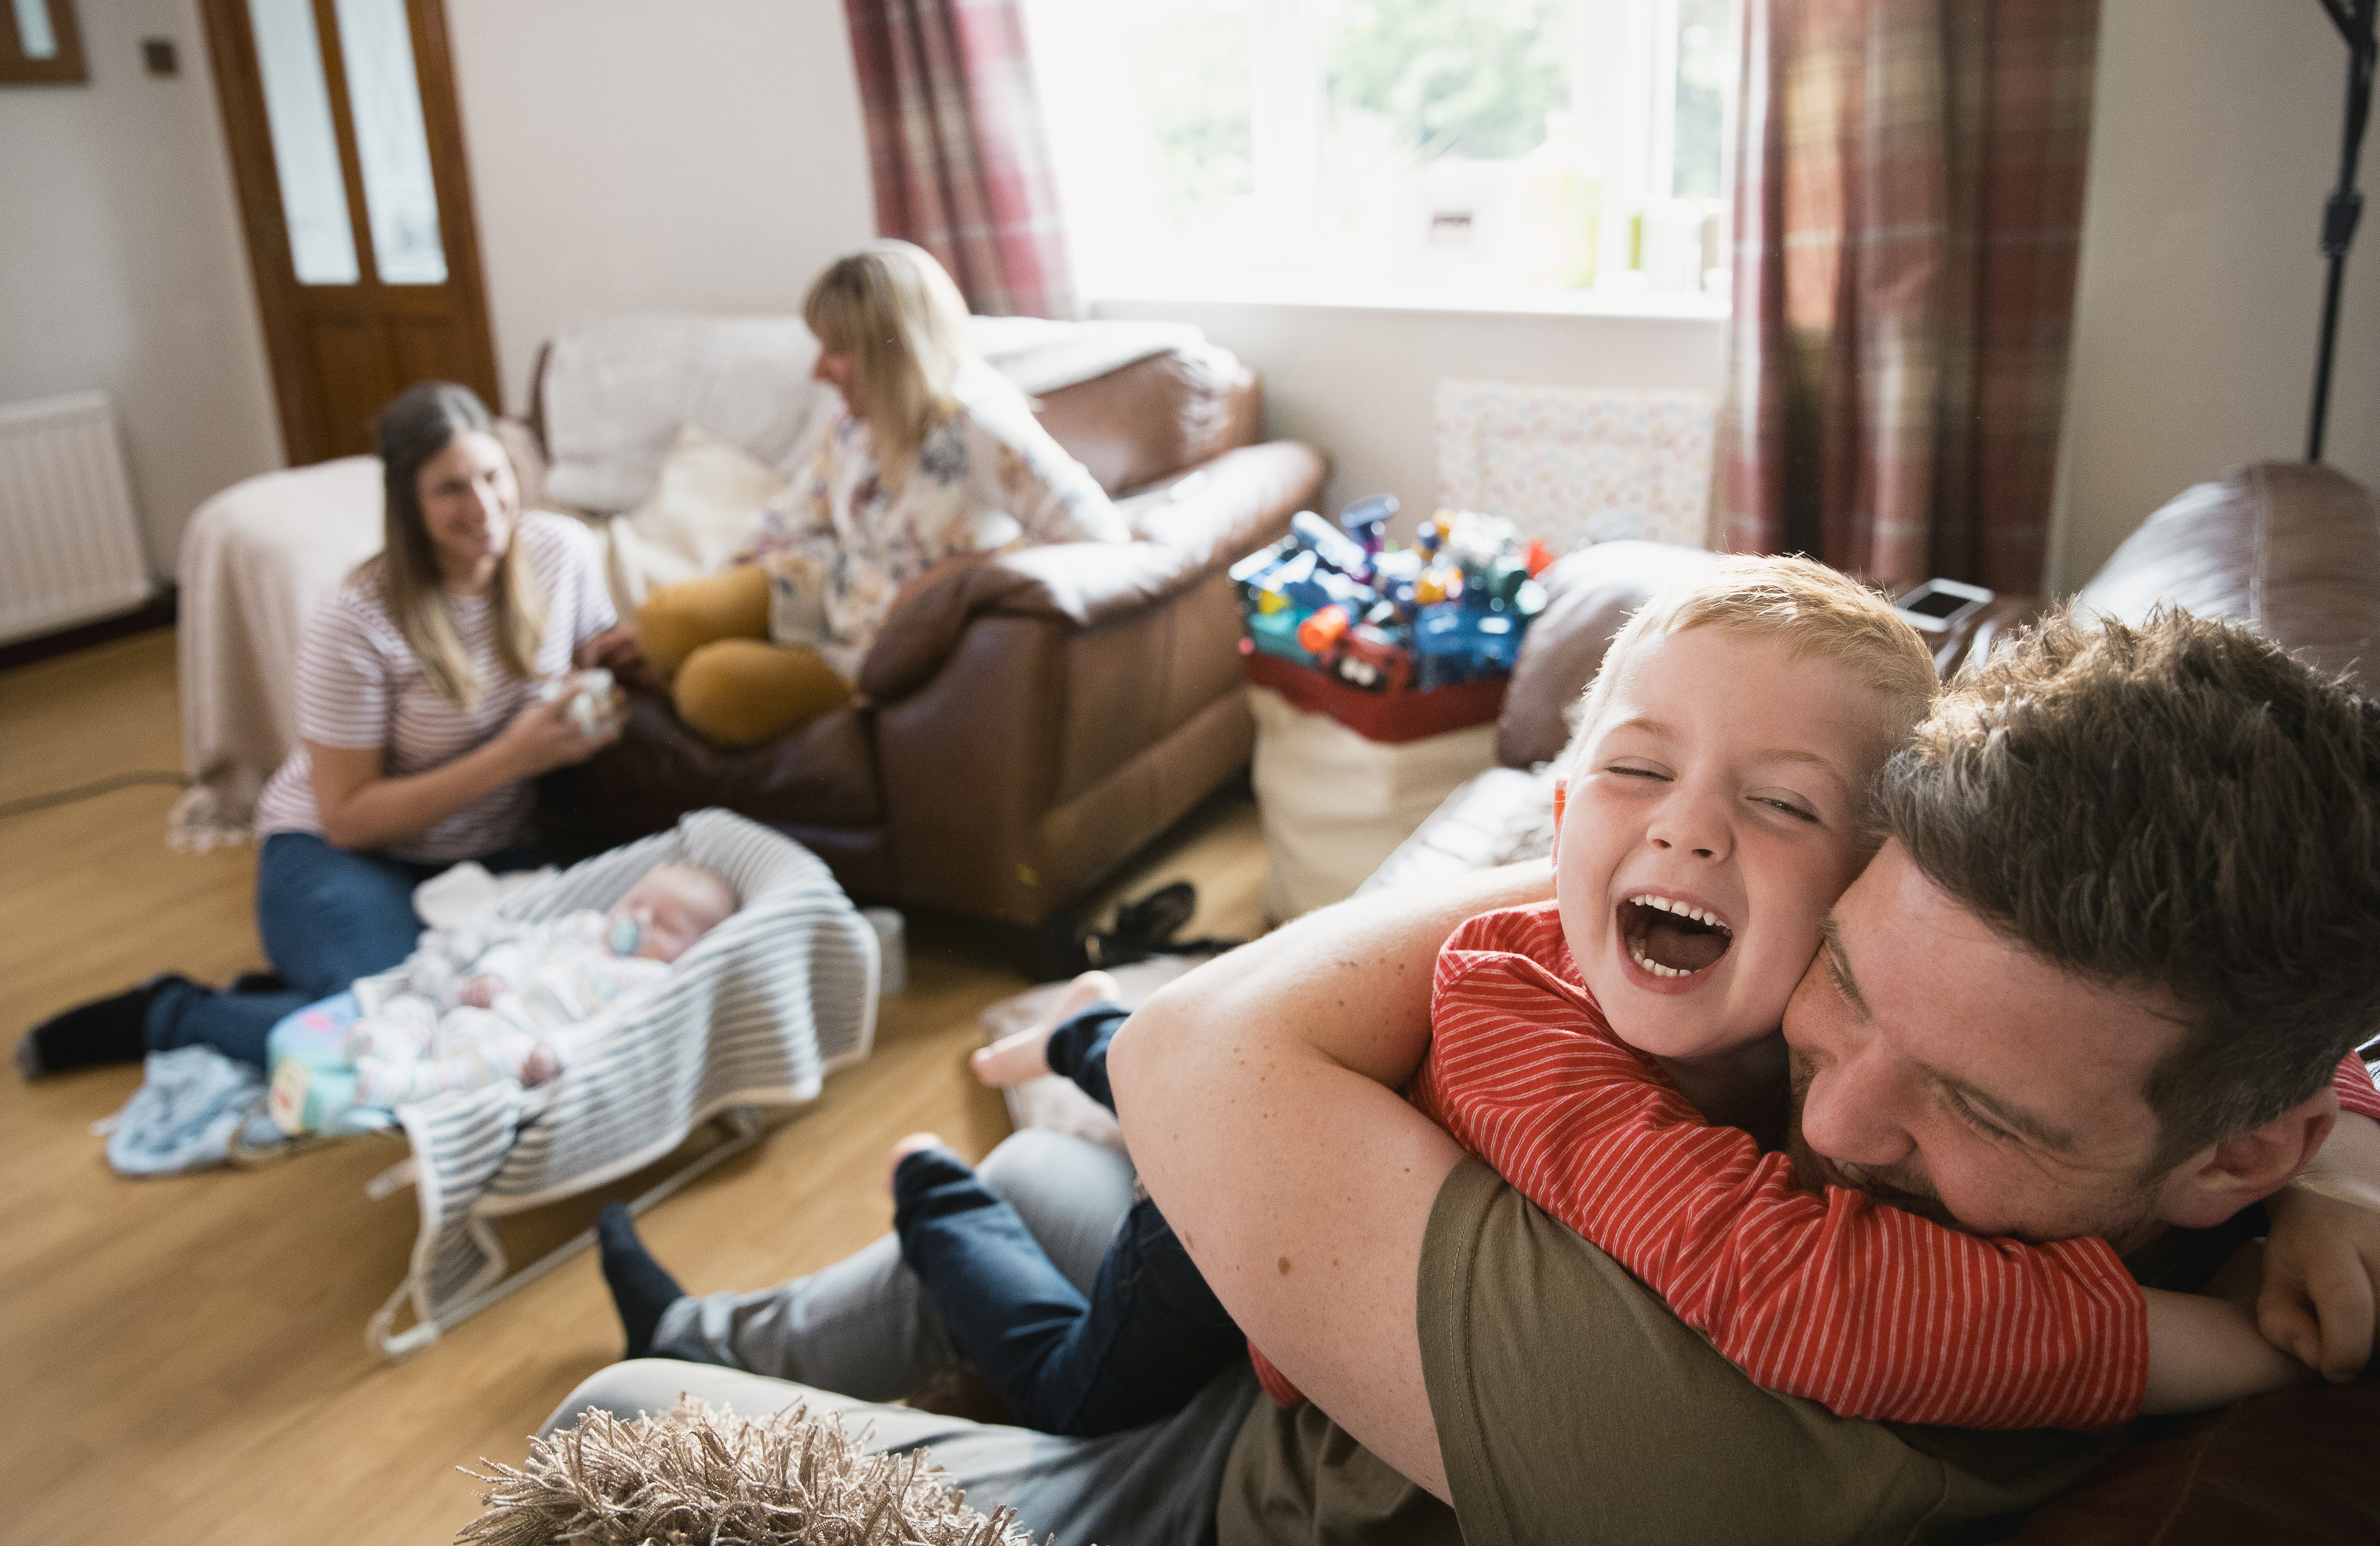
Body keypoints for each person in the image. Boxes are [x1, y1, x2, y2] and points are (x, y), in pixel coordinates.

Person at [542, 607, 2380, 1545]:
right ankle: (747, 1323)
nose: (1831, 1118)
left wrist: (1638, 823)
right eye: (1847, 978)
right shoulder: (2213, 1110)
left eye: (1977, 1108)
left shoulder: (1813, 1414)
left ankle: (714, 1348)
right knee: (1045, 1183)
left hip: (1242, 1484)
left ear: (2232, 1149)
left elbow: (1203, 1049)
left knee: (614, 1421)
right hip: (1312, 1325)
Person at [20, 381, 633, 1081]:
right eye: (450, 489)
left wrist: (619, 663)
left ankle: (286, 999)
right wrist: (510, 757)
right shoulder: (356, 620)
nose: (484, 507)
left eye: (494, 477)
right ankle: (172, 1012)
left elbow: (591, 654)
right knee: (391, 1029)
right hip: (344, 851)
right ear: (407, 502)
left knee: (527, 1002)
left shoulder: (564, 551)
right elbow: (346, 817)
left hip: (490, 851)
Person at [629, 240, 1132, 746]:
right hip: (828, 591)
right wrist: (697, 610)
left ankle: (733, 685)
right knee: (661, 621)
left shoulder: (980, 425)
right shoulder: (858, 419)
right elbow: (794, 517)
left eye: (837, 351)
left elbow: (1105, 539)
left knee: (708, 687)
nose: (818, 371)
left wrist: (973, 571)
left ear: (894, 348)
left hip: (876, 652)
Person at [346, 862, 736, 1106]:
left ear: (693, 954)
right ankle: (389, 1047)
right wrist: (496, 974)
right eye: (635, 901)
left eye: (667, 925)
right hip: (482, 1015)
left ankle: (408, 1085)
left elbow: (611, 1029)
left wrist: (557, 1052)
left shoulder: (651, 980)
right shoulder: (585, 927)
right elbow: (527, 946)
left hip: (520, 1048)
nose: (641, 918)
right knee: (417, 1005)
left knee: (498, 1066)